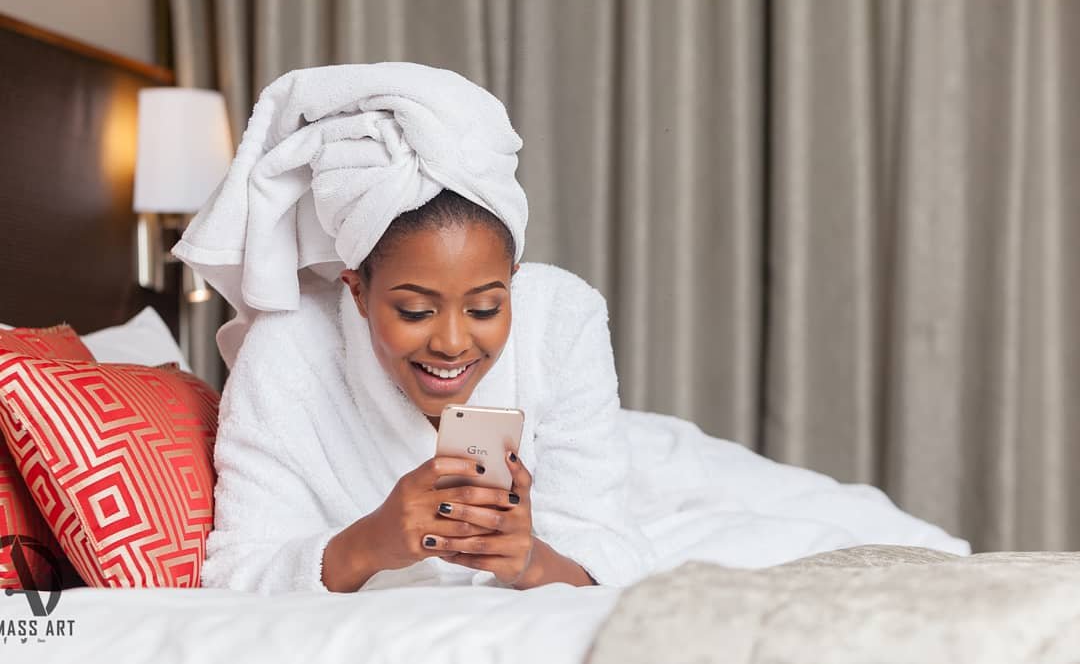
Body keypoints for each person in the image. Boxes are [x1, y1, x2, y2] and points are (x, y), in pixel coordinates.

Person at [175, 62, 969, 595]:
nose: (454, 341)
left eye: (486, 306)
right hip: (598, 493)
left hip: (634, 463)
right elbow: (236, 572)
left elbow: (609, 543)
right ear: (355, 288)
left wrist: (532, 557)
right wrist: (371, 540)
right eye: (415, 309)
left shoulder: (562, 314)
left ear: (515, 283)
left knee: (885, 543)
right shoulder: (287, 354)